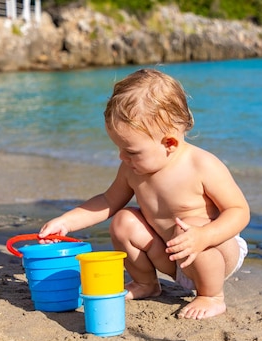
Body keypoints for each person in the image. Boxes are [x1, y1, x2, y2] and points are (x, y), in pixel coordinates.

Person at [39, 68, 250, 320]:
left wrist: (204, 236)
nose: (122, 157)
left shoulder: (201, 165)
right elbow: (108, 202)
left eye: (131, 151)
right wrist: (66, 222)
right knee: (123, 220)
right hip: (172, 257)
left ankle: (212, 296)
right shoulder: (132, 169)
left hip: (213, 253)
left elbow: (238, 212)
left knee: (189, 226)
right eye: (118, 148)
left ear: (169, 143)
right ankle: (147, 283)